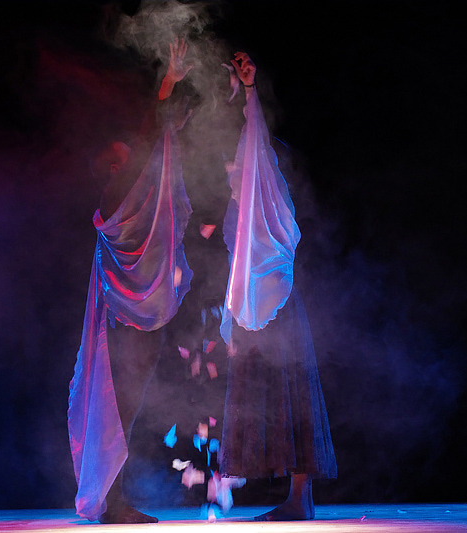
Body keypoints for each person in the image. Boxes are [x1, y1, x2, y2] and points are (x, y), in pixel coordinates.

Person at [67, 39, 194, 524]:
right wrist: (166, 86)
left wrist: (173, 126)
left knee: (126, 408)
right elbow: (147, 143)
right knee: (117, 408)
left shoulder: (127, 196)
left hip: (136, 317)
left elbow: (153, 153)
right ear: (117, 167)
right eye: (128, 155)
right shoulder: (117, 193)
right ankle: (112, 501)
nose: (139, 159)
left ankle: (113, 498)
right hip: (126, 322)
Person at [218, 52, 337, 521]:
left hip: (277, 306)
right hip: (252, 308)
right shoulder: (239, 207)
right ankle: (296, 499)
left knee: (293, 394)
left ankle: (299, 498)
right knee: (274, 397)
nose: (232, 166)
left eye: (242, 161)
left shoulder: (268, 199)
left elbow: (257, 145)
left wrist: (249, 91)